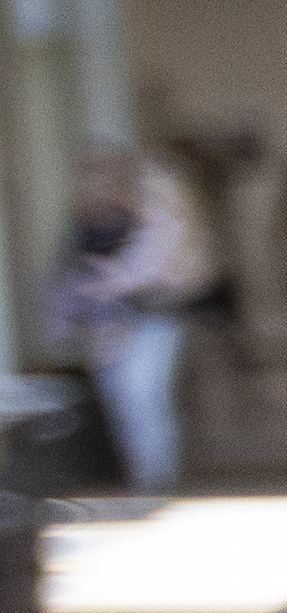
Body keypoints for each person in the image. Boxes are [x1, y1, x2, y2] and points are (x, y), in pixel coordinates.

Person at [53, 149, 209, 495]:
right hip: (106, 328)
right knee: (125, 407)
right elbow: (68, 281)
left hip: (152, 320)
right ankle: (143, 478)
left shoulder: (161, 225)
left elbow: (177, 276)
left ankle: (155, 482)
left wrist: (115, 283)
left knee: (145, 399)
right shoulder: (88, 225)